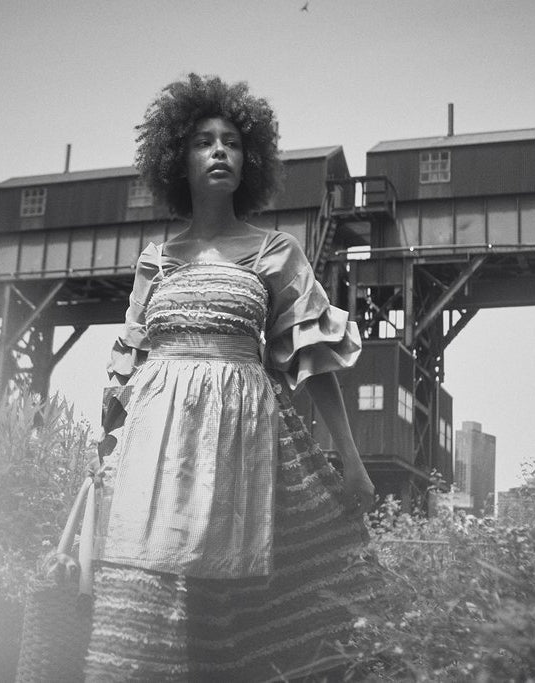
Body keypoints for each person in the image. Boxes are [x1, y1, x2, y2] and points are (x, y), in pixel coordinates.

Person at [85, 73, 375, 682]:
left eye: (233, 142)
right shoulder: (154, 261)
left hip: (243, 445)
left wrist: (351, 459)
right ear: (177, 161)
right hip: (153, 449)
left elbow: (315, 358)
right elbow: (128, 362)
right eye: (203, 141)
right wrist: (103, 451)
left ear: (250, 162)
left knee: (241, 604)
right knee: (147, 595)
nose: (220, 150)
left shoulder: (276, 251)